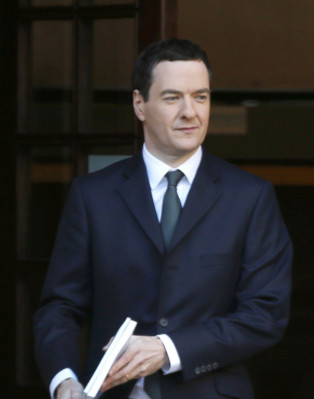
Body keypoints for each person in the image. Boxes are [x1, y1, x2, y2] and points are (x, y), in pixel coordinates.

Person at [33, 38, 292, 399]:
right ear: (140, 104)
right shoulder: (92, 195)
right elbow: (60, 307)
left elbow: (266, 314)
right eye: (173, 98)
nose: (191, 112)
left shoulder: (250, 196)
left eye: (200, 97)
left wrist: (168, 350)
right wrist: (64, 380)